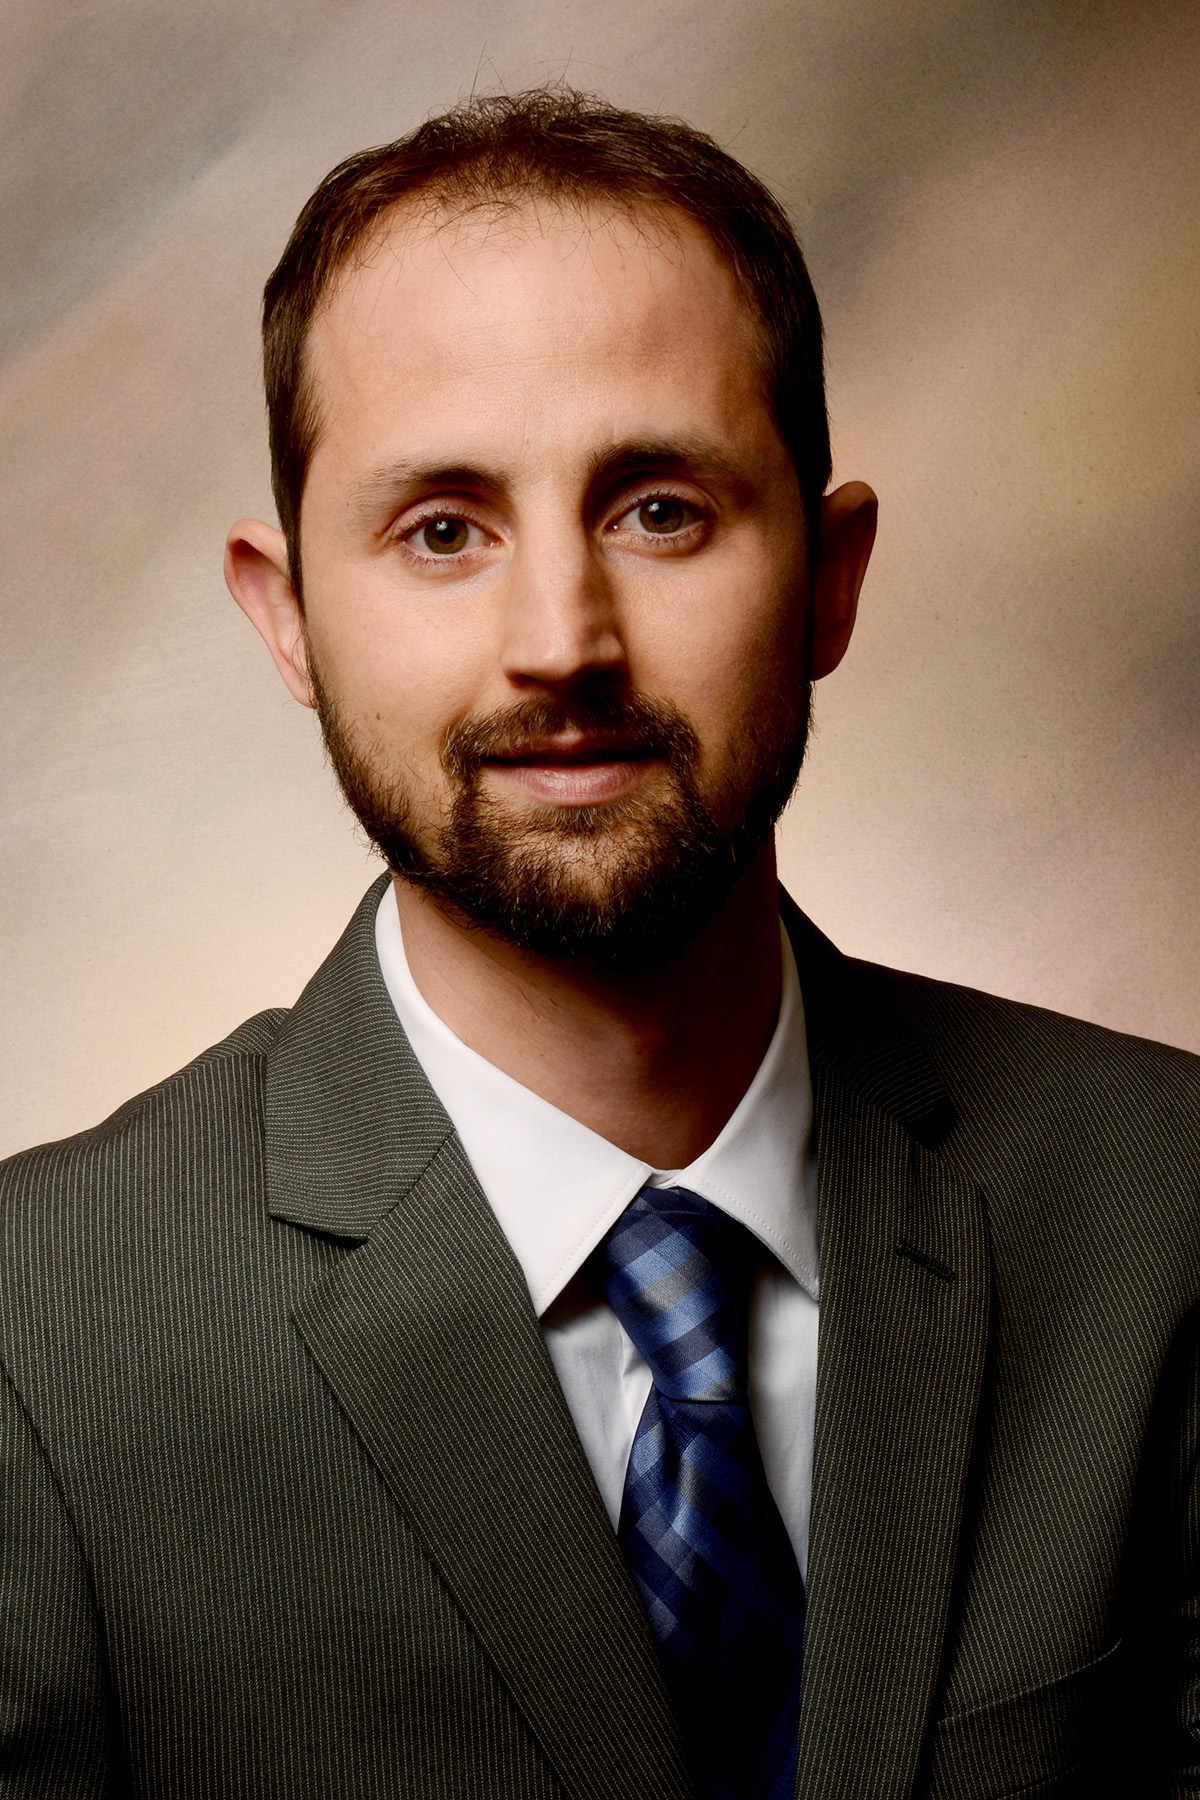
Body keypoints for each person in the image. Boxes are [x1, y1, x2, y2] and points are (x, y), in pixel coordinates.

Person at [0, 86, 1197, 1800]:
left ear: (832, 578)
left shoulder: (1168, 1217)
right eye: (442, 531)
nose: (561, 640)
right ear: (291, 622)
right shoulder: (31, 1347)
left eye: (659, 511)